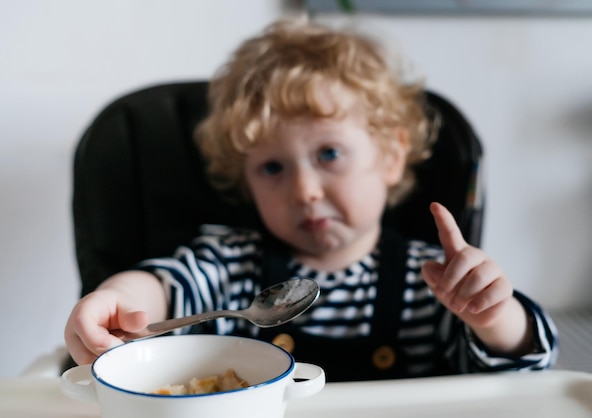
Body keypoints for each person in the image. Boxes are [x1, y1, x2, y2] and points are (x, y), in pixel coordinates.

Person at [65, 18, 557, 381]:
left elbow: (524, 372)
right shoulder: (230, 264)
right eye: (272, 168)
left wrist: (495, 318)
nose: (304, 190)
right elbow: (165, 288)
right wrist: (118, 301)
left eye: (329, 153)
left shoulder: (435, 283)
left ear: (389, 157)